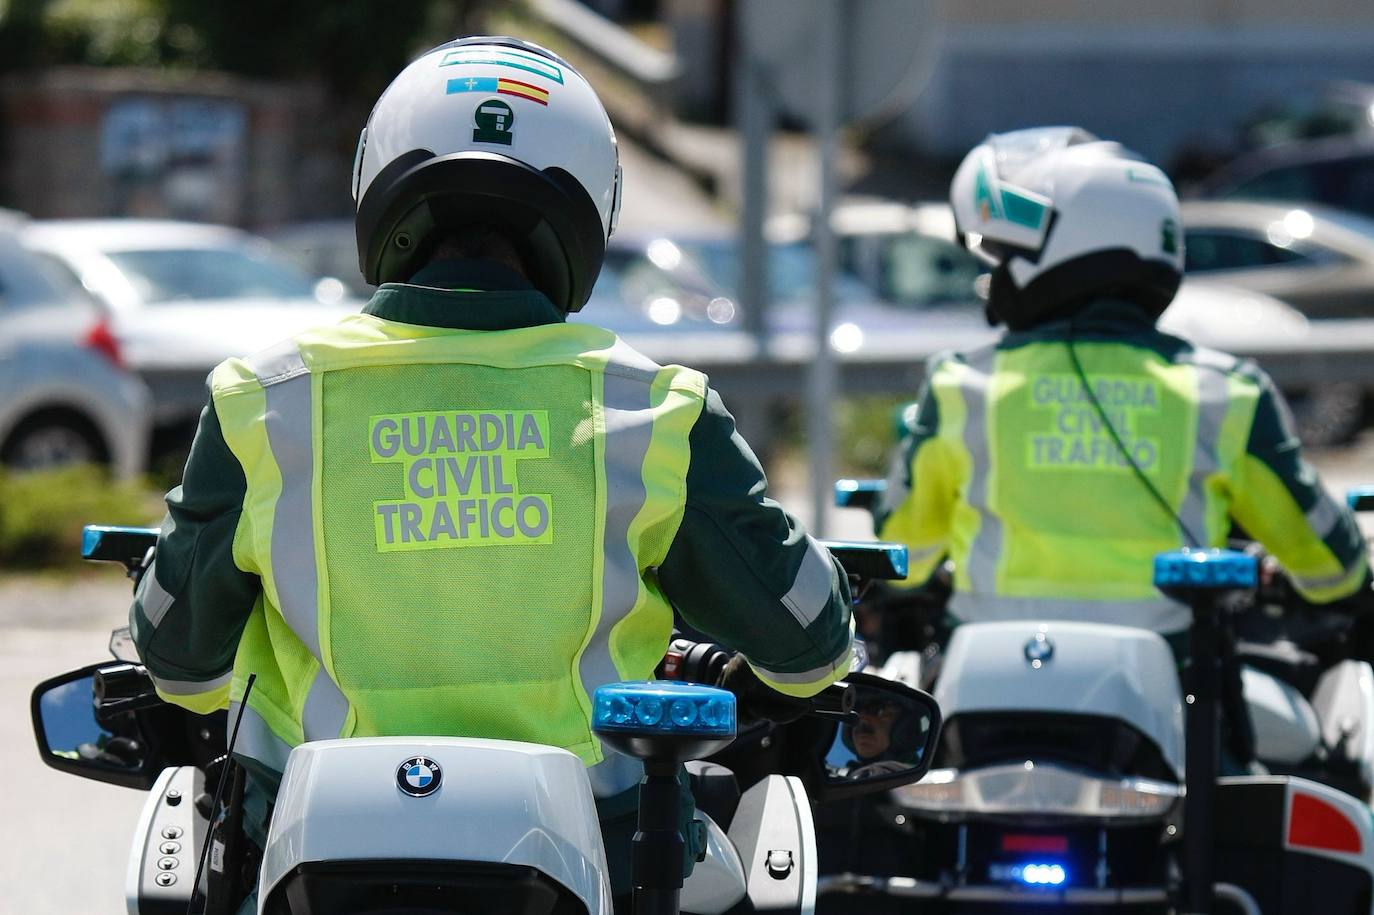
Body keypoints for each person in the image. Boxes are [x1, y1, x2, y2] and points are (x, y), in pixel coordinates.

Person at [128, 37, 853, 909]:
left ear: (378, 181)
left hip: (310, 863)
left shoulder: (264, 400)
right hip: (607, 855)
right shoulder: (656, 408)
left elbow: (177, 664)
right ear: (591, 207)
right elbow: (809, 646)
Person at [877, 127, 1370, 647]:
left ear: (1057, 249)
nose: (992, 280)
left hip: (983, 687)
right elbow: (1332, 569)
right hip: (1169, 696)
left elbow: (902, 559)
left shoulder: (963, 384)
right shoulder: (1226, 394)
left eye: (1002, 254)